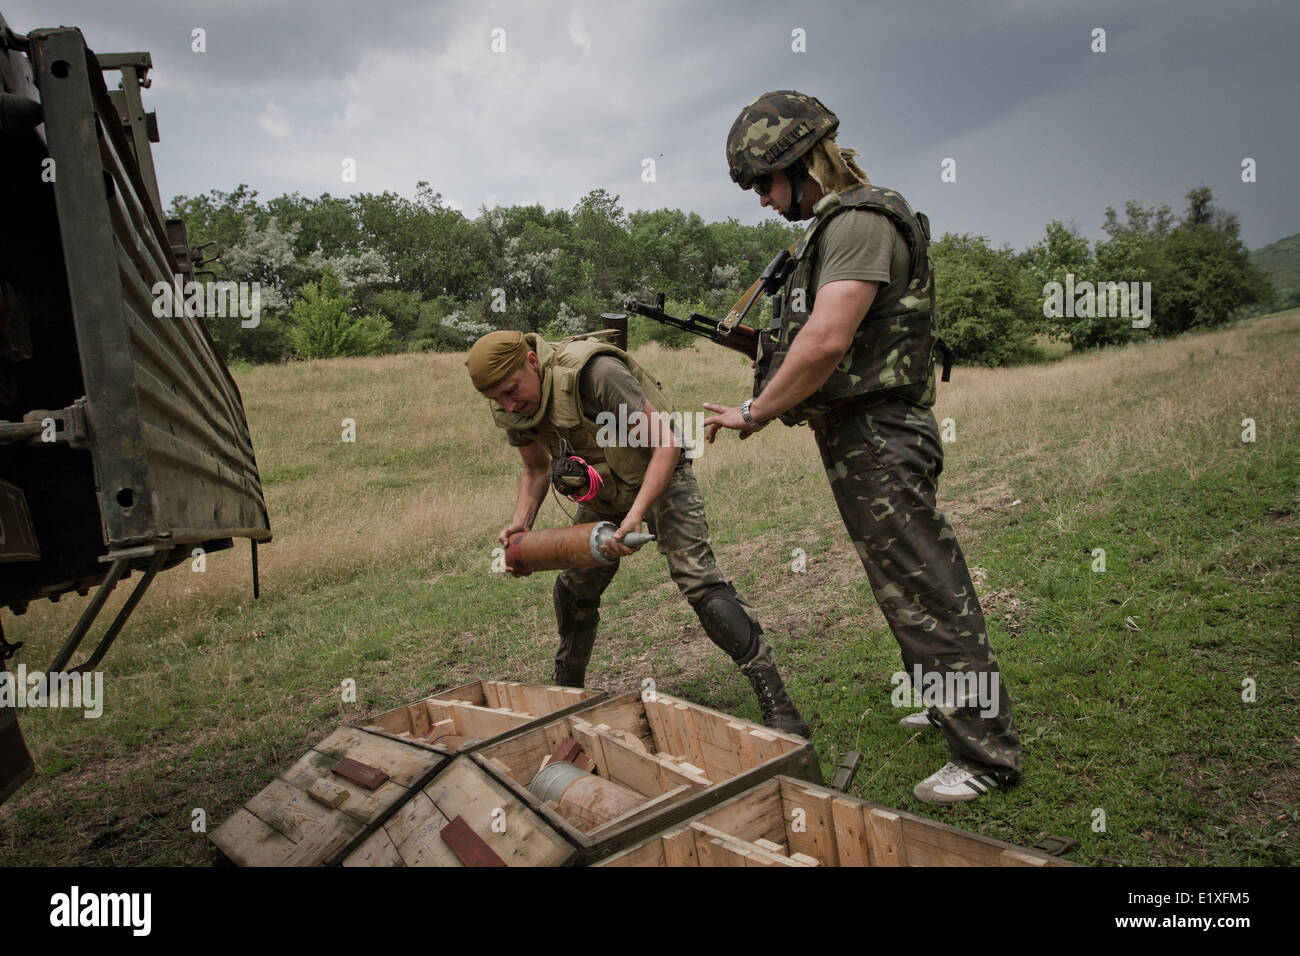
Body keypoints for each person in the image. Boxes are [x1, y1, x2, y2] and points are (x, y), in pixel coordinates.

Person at [701, 90, 1022, 804]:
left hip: (879, 435)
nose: (760, 200)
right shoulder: (835, 227)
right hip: (860, 435)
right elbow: (818, 340)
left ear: (796, 162)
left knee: (925, 589)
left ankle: (985, 755)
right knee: (907, 584)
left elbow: (828, 339)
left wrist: (754, 411)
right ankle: (948, 700)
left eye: (762, 182)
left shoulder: (860, 222)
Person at [465, 329, 811, 737]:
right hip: (602, 486)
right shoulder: (512, 404)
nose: (508, 405)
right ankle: (567, 696)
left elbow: (666, 445)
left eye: (510, 390)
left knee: (700, 584)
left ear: (531, 362)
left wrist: (636, 514)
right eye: (496, 400)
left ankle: (780, 707)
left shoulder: (595, 373)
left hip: (659, 471)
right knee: (575, 590)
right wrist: (523, 521)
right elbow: (536, 467)